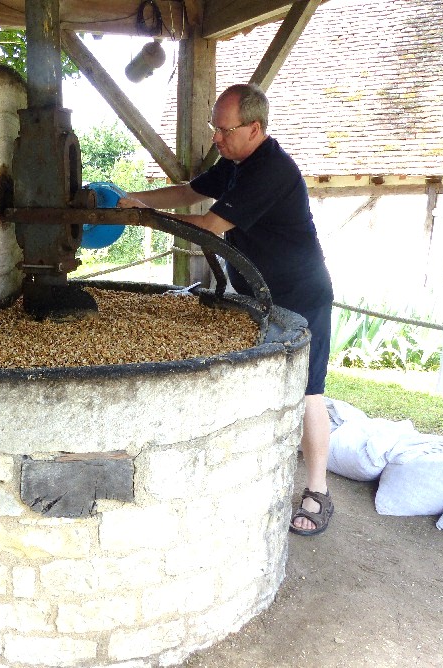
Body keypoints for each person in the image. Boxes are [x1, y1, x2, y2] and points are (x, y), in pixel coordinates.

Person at [118, 83, 334, 537]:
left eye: (224, 129)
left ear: (254, 128)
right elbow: (188, 193)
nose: (216, 137)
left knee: (310, 389)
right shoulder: (235, 163)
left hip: (300, 293)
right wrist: (134, 198)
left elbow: (211, 225)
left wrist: (143, 217)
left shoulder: (271, 170)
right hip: (260, 293)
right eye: (215, 128)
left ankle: (318, 491)